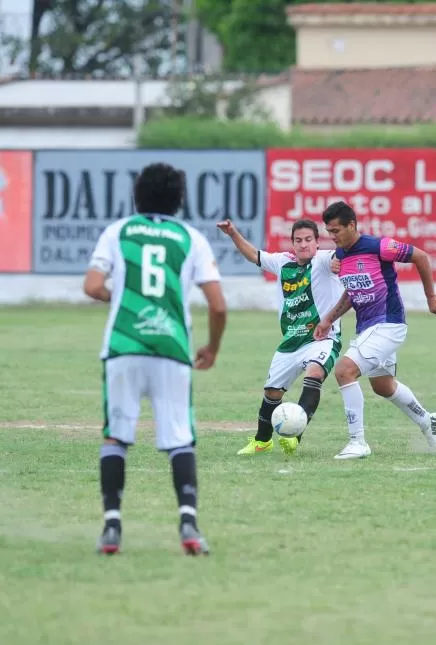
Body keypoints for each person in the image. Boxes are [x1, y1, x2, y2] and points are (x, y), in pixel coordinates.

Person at [83, 162, 227, 557]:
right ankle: (189, 526)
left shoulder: (119, 231)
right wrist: (211, 348)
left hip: (123, 347)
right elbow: (218, 305)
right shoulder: (190, 238)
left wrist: (128, 300)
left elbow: (92, 285)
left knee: (116, 435)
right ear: (179, 199)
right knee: (179, 436)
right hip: (172, 348)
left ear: (137, 195)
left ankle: (111, 527)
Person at [313, 201, 436, 460]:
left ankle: (357, 442)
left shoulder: (378, 246)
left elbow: (421, 256)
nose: (333, 236)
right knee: (383, 386)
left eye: (336, 230)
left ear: (352, 225)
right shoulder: (340, 256)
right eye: (329, 231)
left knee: (344, 370)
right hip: (367, 329)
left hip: (388, 323)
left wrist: (430, 296)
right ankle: (428, 420)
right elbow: (352, 293)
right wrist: (328, 319)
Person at [216, 218, 345, 456]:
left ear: (317, 242)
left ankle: (296, 435)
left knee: (315, 372)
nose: (304, 245)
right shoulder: (282, 262)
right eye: (299, 240)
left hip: (322, 339)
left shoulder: (324, 260)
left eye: (309, 240)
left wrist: (341, 260)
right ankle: (262, 441)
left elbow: (342, 256)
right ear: (293, 243)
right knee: (272, 393)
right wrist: (233, 233)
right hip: (290, 342)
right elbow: (254, 255)